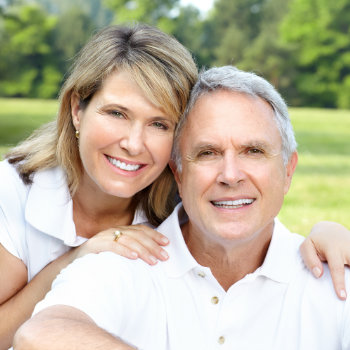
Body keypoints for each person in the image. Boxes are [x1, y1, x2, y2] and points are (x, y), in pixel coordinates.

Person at [14, 66, 350, 350]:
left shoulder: (334, 278)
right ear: (178, 173)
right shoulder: (125, 262)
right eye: (207, 153)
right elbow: (39, 335)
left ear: (287, 171)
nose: (230, 175)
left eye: (254, 151)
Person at [0, 24, 198, 349]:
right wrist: (79, 256)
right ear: (78, 110)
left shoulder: (184, 210)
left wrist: (314, 242)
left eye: (159, 124)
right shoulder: (11, 194)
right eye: (117, 113)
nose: (134, 144)